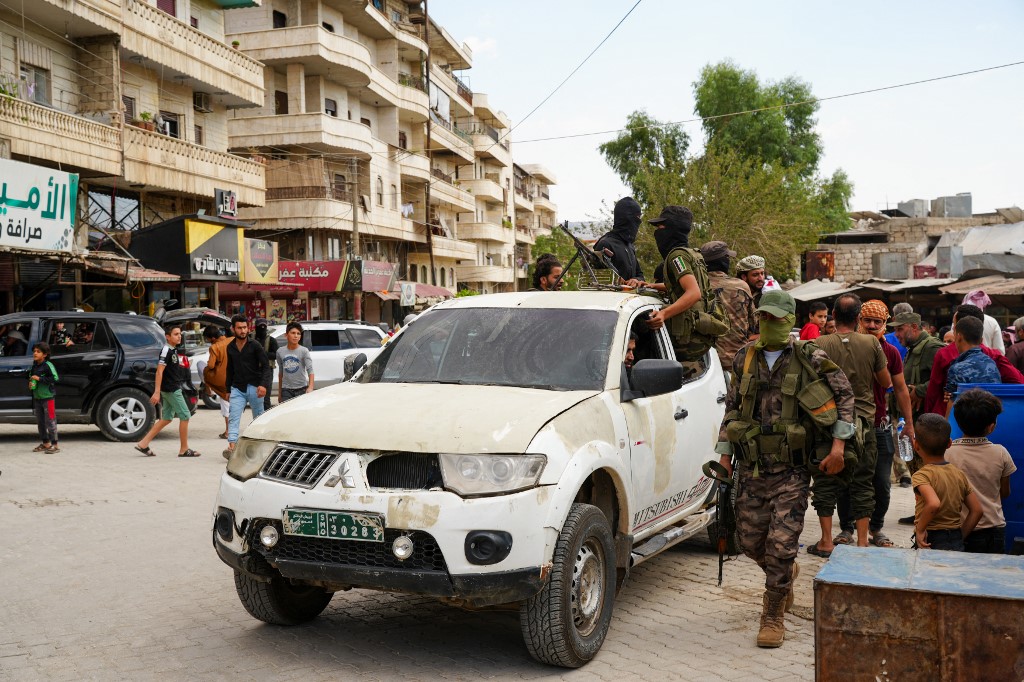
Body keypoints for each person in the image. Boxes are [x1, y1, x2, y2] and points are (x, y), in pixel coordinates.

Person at [716, 290, 856, 648]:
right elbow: (732, 407)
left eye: (776, 318)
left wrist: (839, 444)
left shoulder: (810, 356)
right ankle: (785, 573)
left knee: (781, 543)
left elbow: (845, 396)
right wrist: (724, 454)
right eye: (763, 317)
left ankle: (773, 612)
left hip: (792, 470)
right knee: (749, 542)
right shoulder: (743, 359)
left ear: (790, 320)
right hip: (751, 468)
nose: (769, 323)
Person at [832, 300, 915, 548]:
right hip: (845, 424)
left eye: (877, 322)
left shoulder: (890, 352)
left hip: (879, 425)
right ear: (858, 320)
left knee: (881, 481)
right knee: (846, 479)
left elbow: (899, 389)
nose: (871, 325)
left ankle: (876, 528)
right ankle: (846, 528)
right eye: (867, 320)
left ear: (885, 323)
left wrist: (908, 424)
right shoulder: (845, 347)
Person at [813, 294, 892, 550]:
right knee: (863, 482)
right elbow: (886, 382)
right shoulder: (871, 343)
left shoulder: (818, 342)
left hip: (827, 421)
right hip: (863, 423)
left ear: (833, 315)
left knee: (825, 480)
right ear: (859, 318)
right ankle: (861, 542)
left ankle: (826, 541)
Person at [645, 206, 728, 364]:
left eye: (661, 227)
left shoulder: (677, 257)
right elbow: (687, 287)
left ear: (672, 229)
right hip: (702, 334)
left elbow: (693, 293)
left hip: (689, 340)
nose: (657, 231)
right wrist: (653, 286)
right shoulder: (692, 253)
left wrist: (664, 314)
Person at [947, 388, 1017, 554]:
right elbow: (1005, 492)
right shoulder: (1001, 452)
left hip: (959, 529)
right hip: (994, 529)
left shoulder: (947, 453)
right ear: (991, 427)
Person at [923, 305, 1023, 417]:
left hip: (952, 417)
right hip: (987, 418)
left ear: (959, 333)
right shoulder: (993, 356)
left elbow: (933, 392)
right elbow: (1019, 382)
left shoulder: (944, 354)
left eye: (954, 326)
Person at [911, 413, 982, 551]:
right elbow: (977, 510)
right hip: (955, 536)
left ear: (916, 445)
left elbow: (934, 504)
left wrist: (920, 530)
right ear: (949, 443)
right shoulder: (958, 474)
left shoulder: (921, 476)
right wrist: (960, 536)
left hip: (931, 538)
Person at [134, 323, 200, 458]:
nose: (179, 336)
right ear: (167, 337)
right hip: (171, 389)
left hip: (171, 388)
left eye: (180, 334)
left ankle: (143, 443)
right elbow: (159, 372)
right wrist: (157, 392)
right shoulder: (166, 350)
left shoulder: (173, 350)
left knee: (166, 418)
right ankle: (184, 449)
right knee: (185, 415)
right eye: (176, 334)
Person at [700, 240, 757, 372]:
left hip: (706, 365)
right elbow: (754, 324)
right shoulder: (740, 286)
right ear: (724, 262)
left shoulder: (695, 287)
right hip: (738, 360)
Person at [223, 315, 272, 459]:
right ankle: (231, 447)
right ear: (233, 329)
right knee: (233, 417)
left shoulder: (255, 345)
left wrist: (263, 385)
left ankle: (260, 447)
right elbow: (229, 369)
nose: (243, 330)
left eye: (245, 327)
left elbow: (266, 367)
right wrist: (227, 389)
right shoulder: (230, 347)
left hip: (255, 388)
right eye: (239, 328)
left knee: (258, 418)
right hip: (237, 388)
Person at [889, 310, 943, 422]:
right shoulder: (914, 346)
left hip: (924, 420)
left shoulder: (931, 347)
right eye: (895, 330)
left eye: (900, 329)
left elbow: (946, 377)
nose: (896, 335)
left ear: (914, 327)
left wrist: (920, 390)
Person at [944, 316, 1000, 415]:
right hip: (991, 422)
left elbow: (952, 406)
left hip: (966, 424)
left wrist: (947, 429)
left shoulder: (957, 369)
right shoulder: (992, 363)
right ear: (981, 340)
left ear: (959, 337)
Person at [593, 196, 644, 285]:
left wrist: (636, 280)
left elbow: (640, 275)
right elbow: (598, 279)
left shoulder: (629, 245)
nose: (639, 221)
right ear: (627, 218)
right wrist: (616, 281)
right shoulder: (605, 244)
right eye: (637, 217)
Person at [199, 325, 231, 439]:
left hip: (222, 380)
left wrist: (207, 369)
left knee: (202, 367)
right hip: (237, 377)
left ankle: (228, 431)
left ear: (212, 338)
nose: (208, 341)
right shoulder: (232, 340)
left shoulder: (215, 347)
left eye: (207, 339)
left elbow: (211, 365)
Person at [29, 342, 60, 454]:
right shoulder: (34, 365)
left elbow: (55, 378)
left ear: (45, 354)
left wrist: (40, 379)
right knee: (40, 422)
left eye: (38, 351)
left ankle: (55, 445)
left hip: (48, 398)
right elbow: (31, 377)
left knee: (51, 421)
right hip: (38, 398)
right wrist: (31, 383)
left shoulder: (48, 365)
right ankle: (46, 443)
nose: (35, 353)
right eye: (34, 351)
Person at [277, 322, 314, 403]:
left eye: (298, 333)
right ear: (286, 335)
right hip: (286, 390)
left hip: (301, 389)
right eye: (293, 333)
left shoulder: (304, 351)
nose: (296, 336)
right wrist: (280, 393)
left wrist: (310, 387)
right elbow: (281, 373)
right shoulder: (280, 351)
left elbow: (310, 370)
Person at [962, 290, 1004, 354]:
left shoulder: (958, 318)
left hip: (962, 361)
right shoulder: (992, 322)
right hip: (987, 361)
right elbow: (1000, 351)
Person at [254, 318, 279, 411]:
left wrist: (262, 354)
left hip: (267, 371)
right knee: (254, 397)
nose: (262, 329)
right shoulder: (250, 339)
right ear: (256, 327)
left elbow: (276, 354)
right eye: (260, 327)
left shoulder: (271, 340)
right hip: (253, 371)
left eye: (264, 327)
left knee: (266, 398)